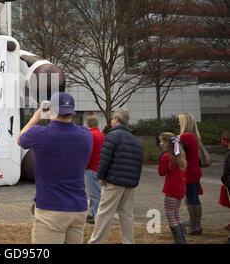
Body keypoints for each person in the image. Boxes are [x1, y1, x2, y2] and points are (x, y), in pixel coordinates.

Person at [18, 92, 93, 244]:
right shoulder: (86, 135)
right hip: (78, 208)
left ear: (50, 109)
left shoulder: (40, 134)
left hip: (51, 209)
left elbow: (20, 139)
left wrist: (35, 118)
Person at [88, 108, 143, 244]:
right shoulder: (135, 141)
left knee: (104, 213)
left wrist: (101, 176)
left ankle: (95, 242)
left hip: (114, 181)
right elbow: (138, 163)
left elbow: (104, 159)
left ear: (117, 120)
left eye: (113, 118)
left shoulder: (112, 136)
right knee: (127, 215)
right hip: (130, 183)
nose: (111, 121)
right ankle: (129, 242)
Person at [158, 132, 187, 244]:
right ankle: (182, 239)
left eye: (161, 141)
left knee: (170, 213)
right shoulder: (180, 155)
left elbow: (161, 172)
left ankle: (178, 241)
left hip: (171, 188)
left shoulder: (166, 157)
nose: (160, 144)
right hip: (180, 187)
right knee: (176, 213)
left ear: (166, 143)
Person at [178, 112, 203, 235]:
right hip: (195, 171)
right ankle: (195, 222)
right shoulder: (194, 137)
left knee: (191, 199)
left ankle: (195, 225)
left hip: (188, 173)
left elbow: (179, 155)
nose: (178, 123)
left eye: (180, 121)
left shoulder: (184, 137)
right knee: (194, 198)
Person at [85, 115, 105, 224]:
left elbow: (89, 153)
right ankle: (97, 212)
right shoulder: (101, 134)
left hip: (91, 168)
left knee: (94, 193)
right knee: (98, 191)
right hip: (99, 167)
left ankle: (94, 214)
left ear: (87, 123)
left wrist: (85, 165)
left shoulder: (90, 135)